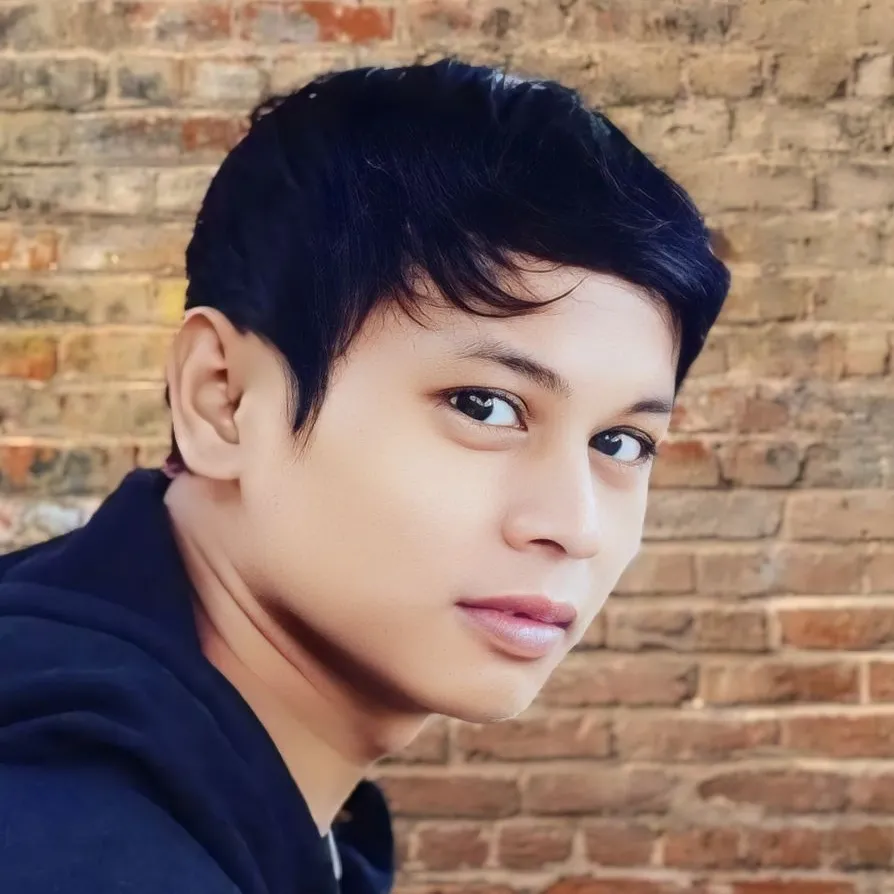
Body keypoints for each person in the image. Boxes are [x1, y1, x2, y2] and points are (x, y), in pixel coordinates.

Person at [0, 59, 729, 893]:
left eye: (623, 443)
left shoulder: (233, 795)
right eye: (485, 406)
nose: (576, 526)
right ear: (223, 400)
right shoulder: (69, 842)